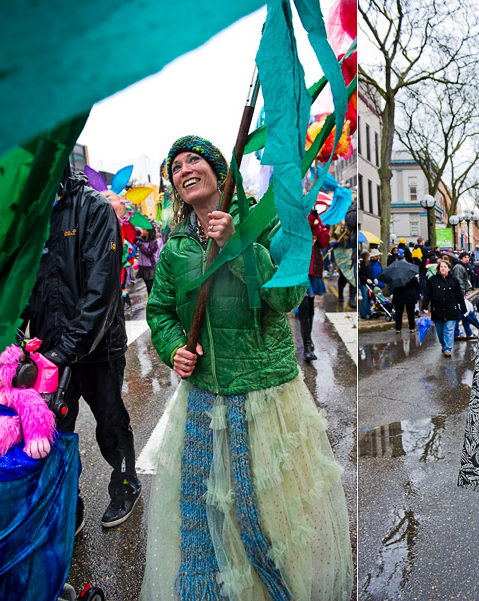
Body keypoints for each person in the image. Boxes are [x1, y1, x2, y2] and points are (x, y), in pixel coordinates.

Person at [144, 135, 352, 600]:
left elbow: (286, 297)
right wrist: (174, 345)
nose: (183, 170)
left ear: (221, 172)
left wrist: (237, 245)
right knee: (206, 514)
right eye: (175, 166)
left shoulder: (264, 223)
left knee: (264, 516)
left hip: (264, 397)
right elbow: (159, 311)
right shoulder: (175, 246)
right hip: (202, 399)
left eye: (193, 159)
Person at [22, 165, 140, 529]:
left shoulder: (93, 208)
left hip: (98, 346)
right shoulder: (30, 217)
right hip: (49, 353)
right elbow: (22, 286)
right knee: (56, 431)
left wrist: (65, 350)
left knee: (110, 421)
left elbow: (101, 290)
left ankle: (125, 485)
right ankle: (68, 502)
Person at [297, 209, 329, 362]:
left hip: (313, 270)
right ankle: (307, 346)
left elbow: (324, 242)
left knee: (310, 307)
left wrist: (316, 224)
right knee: (303, 306)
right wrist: (310, 220)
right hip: (299, 268)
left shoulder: (317, 219)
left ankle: (308, 340)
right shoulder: (296, 216)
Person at [420, 260, 466, 357]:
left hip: (451, 309)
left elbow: (459, 296)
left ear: (449, 269)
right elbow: (427, 294)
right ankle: (443, 344)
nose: (443, 269)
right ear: (438, 269)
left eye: (445, 267)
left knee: (449, 330)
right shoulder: (432, 280)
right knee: (440, 331)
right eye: (441, 267)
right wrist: (424, 307)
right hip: (437, 309)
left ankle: (448, 348)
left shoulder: (454, 280)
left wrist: (463, 308)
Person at [451, 252, 476, 340]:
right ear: (460, 258)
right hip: (459, 295)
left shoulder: (462, 266)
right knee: (462, 314)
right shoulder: (458, 267)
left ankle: (467, 333)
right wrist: (461, 294)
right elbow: (459, 281)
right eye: (465, 257)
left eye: (468, 257)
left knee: (464, 314)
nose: (467, 259)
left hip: (461, 294)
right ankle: (458, 333)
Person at [391, 256, 419, 334]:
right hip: (409, 295)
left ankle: (398, 328)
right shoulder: (410, 273)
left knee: (399, 313)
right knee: (410, 313)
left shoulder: (394, 274)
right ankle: (412, 327)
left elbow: (392, 285)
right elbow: (415, 284)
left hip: (398, 295)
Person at [134, 222, 162, 295]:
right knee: (147, 286)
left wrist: (140, 244)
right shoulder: (141, 240)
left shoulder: (154, 242)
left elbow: (148, 252)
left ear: (149, 232)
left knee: (151, 287)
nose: (144, 231)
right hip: (143, 268)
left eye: (145, 230)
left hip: (150, 268)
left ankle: (152, 302)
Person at [358, 250, 374, 319]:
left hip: (370, 283)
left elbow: (371, 273)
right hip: (364, 283)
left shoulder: (369, 264)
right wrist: (366, 279)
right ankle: (363, 313)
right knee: (365, 298)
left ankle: (369, 311)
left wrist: (374, 279)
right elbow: (360, 274)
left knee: (370, 298)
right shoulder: (361, 264)